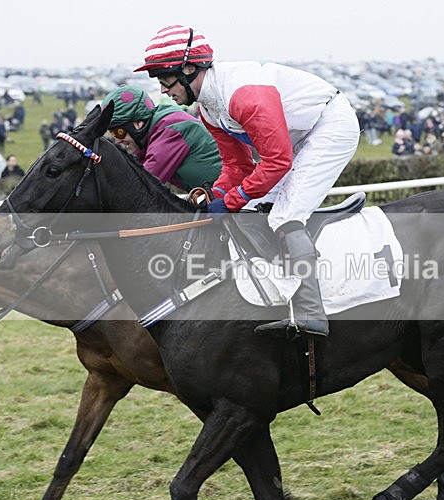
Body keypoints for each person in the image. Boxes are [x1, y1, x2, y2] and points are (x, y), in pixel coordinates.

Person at [136, 24, 360, 338]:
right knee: (253, 208)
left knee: (284, 215)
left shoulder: (243, 95)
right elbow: (237, 165)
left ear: (187, 69)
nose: (163, 90)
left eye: (164, 80)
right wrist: (215, 196)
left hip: (330, 126)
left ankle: (311, 312)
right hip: (297, 138)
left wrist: (230, 201)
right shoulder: (208, 110)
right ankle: (274, 294)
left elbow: (277, 162)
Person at [101, 85, 221, 192]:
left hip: (228, 192)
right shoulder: (154, 132)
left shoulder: (170, 131)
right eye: (113, 134)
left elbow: (140, 185)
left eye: (119, 132)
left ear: (138, 123)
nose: (118, 140)